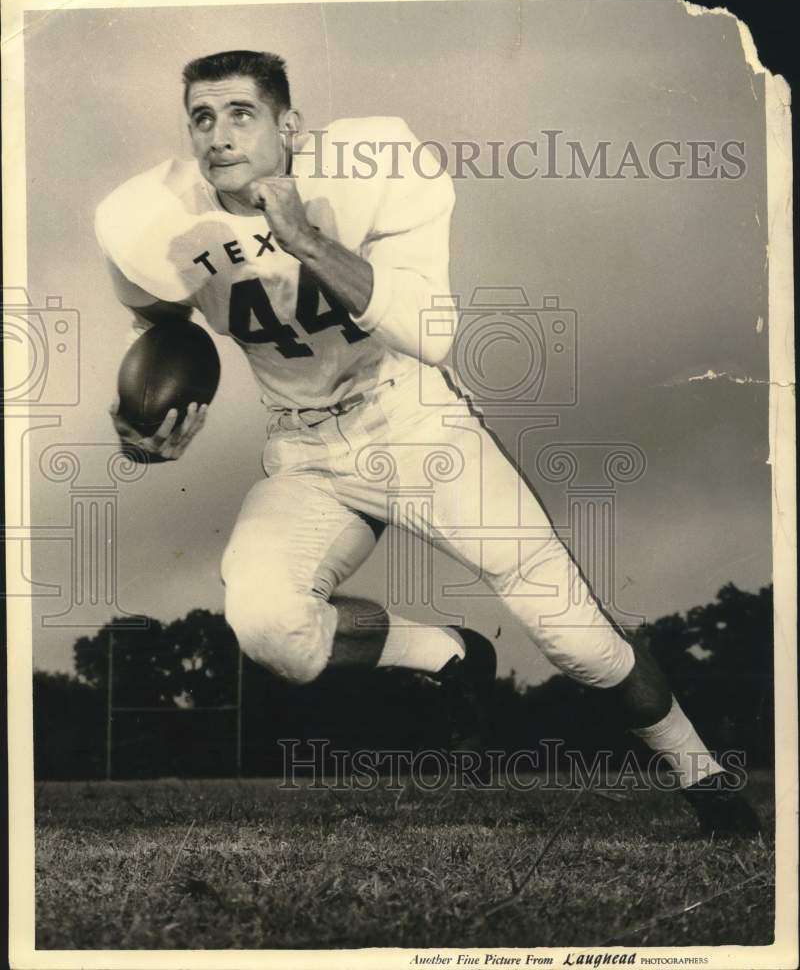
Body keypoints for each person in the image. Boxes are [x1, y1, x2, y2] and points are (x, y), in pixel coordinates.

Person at [96, 49, 759, 836]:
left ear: (289, 125)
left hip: (410, 420)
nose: (219, 136)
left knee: (577, 641)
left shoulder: (367, 164)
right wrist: (145, 435)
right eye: (202, 117)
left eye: (241, 113)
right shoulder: (155, 219)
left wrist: (303, 236)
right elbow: (160, 325)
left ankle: (705, 778)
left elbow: (429, 332)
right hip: (304, 449)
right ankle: (446, 652)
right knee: (274, 629)